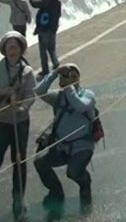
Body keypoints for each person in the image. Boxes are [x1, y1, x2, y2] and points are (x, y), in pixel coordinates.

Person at [0, 31, 37, 221]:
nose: (12, 50)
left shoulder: (27, 72)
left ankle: (18, 197)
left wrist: (23, 107)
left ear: (21, 49)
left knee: (19, 160)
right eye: (9, 46)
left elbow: (31, 94)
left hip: (20, 122)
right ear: (4, 50)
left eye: (16, 46)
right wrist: (3, 91)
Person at [34, 64, 96, 217]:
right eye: (65, 76)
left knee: (73, 172)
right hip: (62, 147)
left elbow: (80, 106)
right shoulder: (58, 97)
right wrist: (54, 73)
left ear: (78, 78)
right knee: (40, 162)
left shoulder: (88, 95)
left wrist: (69, 88)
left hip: (82, 147)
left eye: (73, 76)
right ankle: (56, 191)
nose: (69, 79)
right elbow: (39, 91)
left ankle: (85, 182)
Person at [30, 0, 62, 78]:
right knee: (51, 48)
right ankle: (55, 63)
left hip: (44, 29)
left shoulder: (46, 1)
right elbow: (58, 15)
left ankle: (45, 70)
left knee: (43, 50)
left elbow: (35, 4)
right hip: (53, 29)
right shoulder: (58, 3)